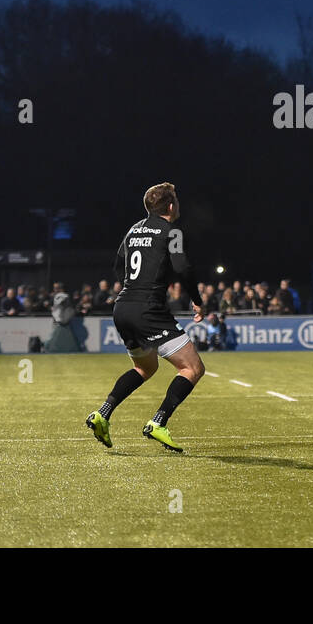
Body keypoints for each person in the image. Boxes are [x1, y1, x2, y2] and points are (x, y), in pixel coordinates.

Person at [85, 182, 206, 453]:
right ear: (171, 207)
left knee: (145, 368)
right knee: (192, 369)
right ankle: (158, 422)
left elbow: (118, 265)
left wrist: (131, 288)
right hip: (147, 309)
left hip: (123, 307)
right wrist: (197, 300)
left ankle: (102, 413)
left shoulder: (132, 231)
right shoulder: (171, 231)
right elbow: (183, 267)